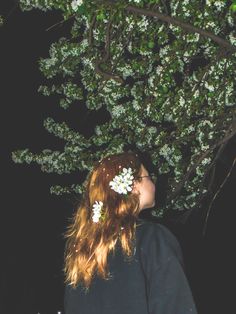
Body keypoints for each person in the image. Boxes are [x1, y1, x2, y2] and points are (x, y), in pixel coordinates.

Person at [63, 151, 198, 314]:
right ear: (134, 186)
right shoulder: (152, 238)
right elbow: (175, 306)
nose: (153, 182)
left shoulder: (84, 252)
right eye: (148, 177)